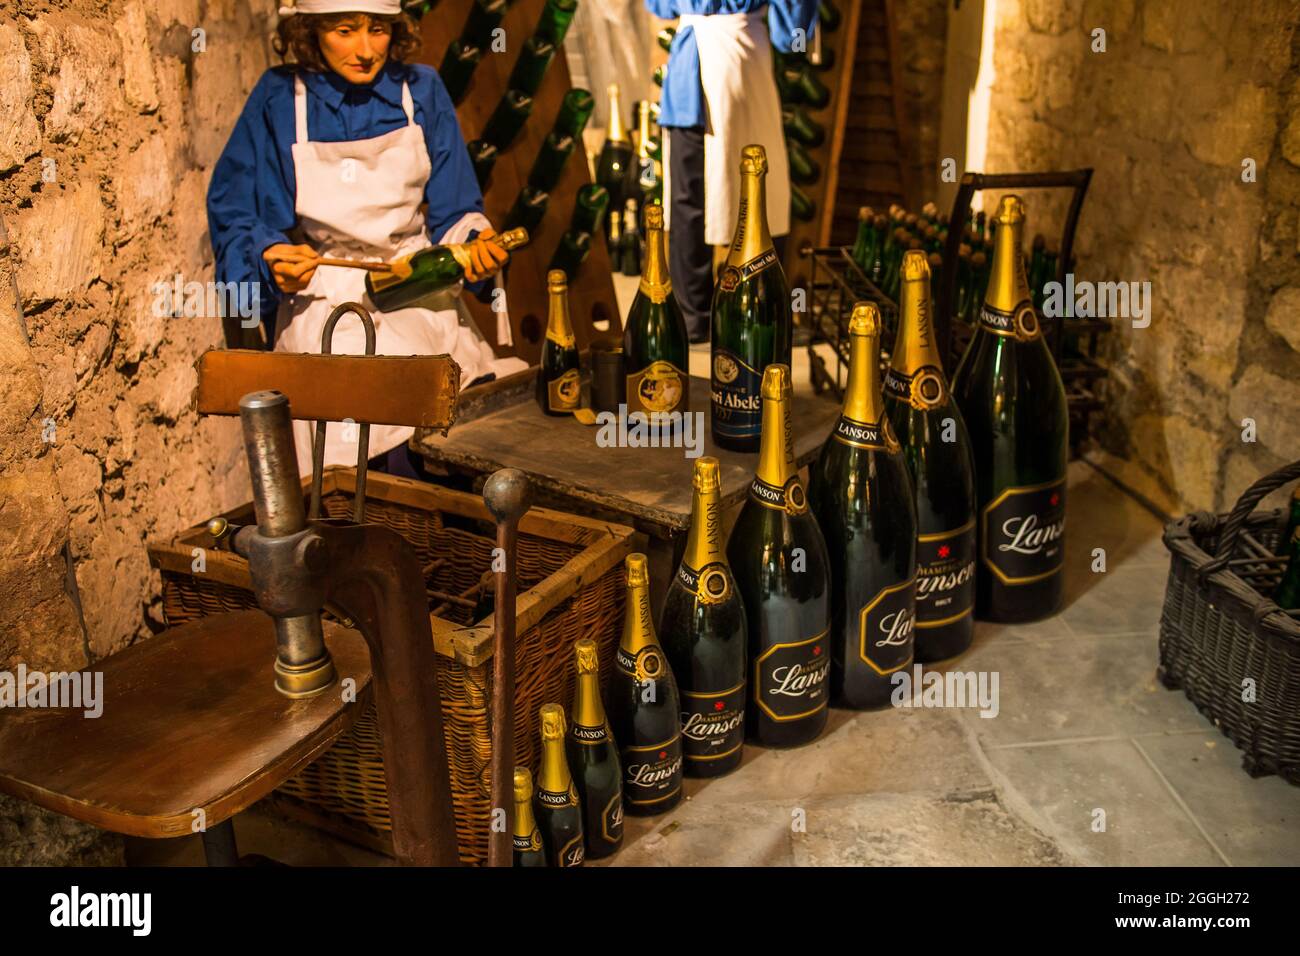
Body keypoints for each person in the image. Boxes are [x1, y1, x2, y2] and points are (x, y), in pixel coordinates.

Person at [207, 0, 522, 478]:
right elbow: (237, 213)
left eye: (377, 30)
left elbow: (457, 209)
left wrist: (476, 245)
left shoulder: (421, 91)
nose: (365, 49)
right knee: (360, 439)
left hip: (417, 285)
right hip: (326, 293)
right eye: (345, 30)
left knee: (453, 426)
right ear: (311, 30)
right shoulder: (280, 98)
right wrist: (272, 256)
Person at [645, 0, 819, 341]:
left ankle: (692, 317)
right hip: (740, 60)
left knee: (688, 193)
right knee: (761, 188)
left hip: (691, 64)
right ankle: (761, 313)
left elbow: (661, 7)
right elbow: (792, 34)